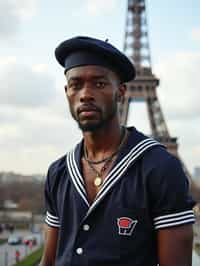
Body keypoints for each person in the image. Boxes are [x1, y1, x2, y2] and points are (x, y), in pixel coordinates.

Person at [40, 36, 196, 266]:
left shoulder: (161, 169)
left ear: (121, 92)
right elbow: (49, 261)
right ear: (67, 92)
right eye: (76, 85)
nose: (85, 94)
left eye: (99, 83)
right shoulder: (58, 172)